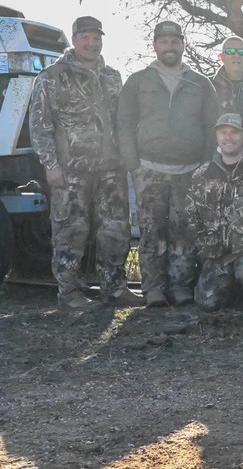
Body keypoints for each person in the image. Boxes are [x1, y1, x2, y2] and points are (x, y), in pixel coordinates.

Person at [27, 16, 141, 308]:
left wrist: (128, 158)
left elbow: (125, 121)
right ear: (75, 39)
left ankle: (115, 289)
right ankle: (69, 292)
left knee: (115, 229)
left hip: (111, 168)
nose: (92, 43)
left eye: (97, 38)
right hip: (71, 170)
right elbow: (40, 125)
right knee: (70, 231)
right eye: (85, 37)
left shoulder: (113, 76)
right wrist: (51, 165)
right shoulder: (53, 76)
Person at [118, 20, 220, 307]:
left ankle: (180, 287)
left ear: (183, 45)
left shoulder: (200, 82)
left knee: (184, 232)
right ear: (155, 45)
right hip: (149, 169)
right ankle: (153, 290)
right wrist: (133, 164)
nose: (170, 46)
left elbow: (213, 125)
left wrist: (204, 166)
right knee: (151, 233)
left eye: (175, 41)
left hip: (189, 172)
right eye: (164, 41)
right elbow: (124, 123)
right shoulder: (138, 80)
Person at [185, 113, 243, 311]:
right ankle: (232, 285)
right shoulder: (202, 174)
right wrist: (207, 249)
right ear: (217, 136)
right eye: (223, 132)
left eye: (234, 132)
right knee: (209, 303)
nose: (228, 137)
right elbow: (191, 216)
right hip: (218, 253)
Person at [211, 36, 243, 121]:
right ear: (221, 57)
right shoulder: (207, 86)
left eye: (241, 52)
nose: (236, 55)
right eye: (230, 51)